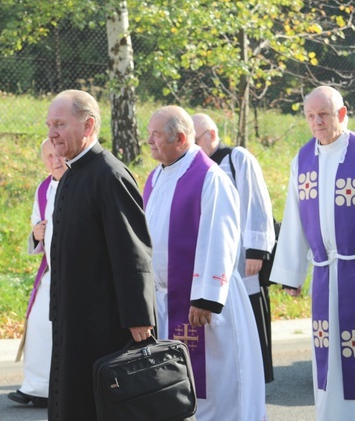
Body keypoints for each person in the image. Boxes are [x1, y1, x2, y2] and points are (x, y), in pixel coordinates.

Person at [143, 106, 266, 419]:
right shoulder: (156, 177)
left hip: (206, 305)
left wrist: (205, 298)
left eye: (155, 136)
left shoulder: (210, 177)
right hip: (168, 302)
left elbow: (219, 237)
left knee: (217, 390)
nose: (149, 142)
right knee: (178, 388)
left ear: (181, 138)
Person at [45, 89, 156, 420]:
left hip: (103, 322)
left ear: (88, 125)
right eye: (49, 124)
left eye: (60, 124)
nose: (52, 133)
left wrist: (139, 317)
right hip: (72, 316)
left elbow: (132, 249)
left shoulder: (109, 174)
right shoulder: (71, 174)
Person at [270, 85, 355, 419]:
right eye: (310, 116)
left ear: (342, 114)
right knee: (328, 354)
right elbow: (294, 218)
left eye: (323, 114)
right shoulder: (303, 159)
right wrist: (292, 273)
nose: (316, 122)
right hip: (324, 272)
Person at [192, 113, 277, 383]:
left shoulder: (236, 158)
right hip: (216, 261)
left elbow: (257, 202)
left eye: (195, 140)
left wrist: (256, 251)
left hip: (243, 258)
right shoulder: (196, 167)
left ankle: (257, 376)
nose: (192, 148)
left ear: (211, 135)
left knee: (250, 316)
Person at [8, 138, 66, 408]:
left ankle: (59, 388)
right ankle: (36, 387)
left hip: (75, 274)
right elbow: (35, 228)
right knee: (38, 324)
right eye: (48, 156)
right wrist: (36, 234)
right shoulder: (43, 188)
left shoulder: (79, 182)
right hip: (51, 271)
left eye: (58, 154)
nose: (54, 160)